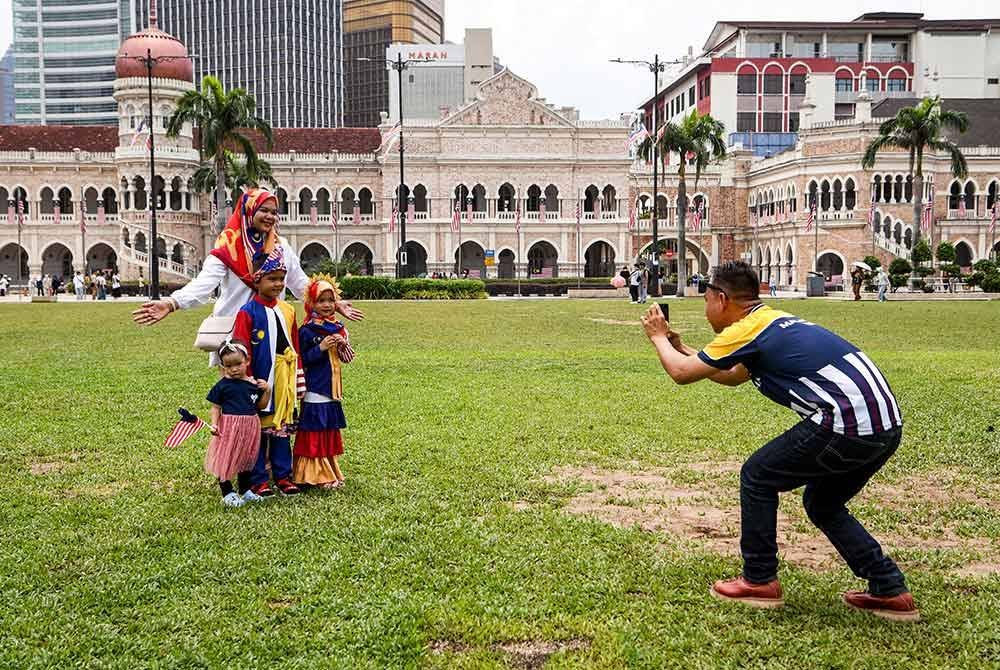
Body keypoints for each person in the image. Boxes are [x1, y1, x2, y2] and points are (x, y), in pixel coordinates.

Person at [640, 261, 917, 622]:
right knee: (823, 503)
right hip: (884, 425)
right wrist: (680, 346)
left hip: (846, 423)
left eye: (706, 300)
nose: (706, 309)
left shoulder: (746, 330)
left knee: (758, 475)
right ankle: (890, 589)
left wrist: (658, 338)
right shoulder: (770, 320)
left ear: (721, 299)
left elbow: (680, 374)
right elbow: (732, 374)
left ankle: (759, 580)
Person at [131, 188, 362, 362]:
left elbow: (300, 283)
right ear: (249, 211)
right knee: (237, 392)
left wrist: (333, 302)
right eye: (264, 210)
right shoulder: (228, 246)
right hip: (235, 327)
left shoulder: (281, 247)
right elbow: (204, 284)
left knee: (270, 388)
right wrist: (172, 303)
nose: (270, 216)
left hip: (272, 326)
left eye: (274, 212)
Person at [231, 248, 303, 498]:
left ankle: (283, 476)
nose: (278, 284)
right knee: (259, 431)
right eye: (272, 279)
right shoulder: (247, 312)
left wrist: (299, 376)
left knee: (281, 428)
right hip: (261, 382)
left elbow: (294, 344)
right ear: (257, 280)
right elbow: (241, 350)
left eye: (281, 279)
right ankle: (258, 479)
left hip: (284, 381)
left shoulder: (288, 310)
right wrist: (248, 381)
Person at [294, 276, 355, 489]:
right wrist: (320, 348)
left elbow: (347, 359)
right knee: (314, 430)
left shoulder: (338, 327)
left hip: (332, 387)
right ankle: (313, 474)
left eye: (331, 300)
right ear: (311, 303)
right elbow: (301, 360)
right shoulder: (307, 330)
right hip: (314, 387)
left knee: (327, 429)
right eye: (321, 300)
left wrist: (342, 344)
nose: (327, 305)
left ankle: (330, 470)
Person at [205, 339, 272, 507]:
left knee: (246, 458)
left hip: (250, 426)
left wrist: (267, 391)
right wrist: (214, 424)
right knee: (226, 457)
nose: (234, 369)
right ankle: (227, 492)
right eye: (228, 366)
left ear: (247, 361)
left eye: (238, 364)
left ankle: (245, 490)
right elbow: (215, 407)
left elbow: (261, 406)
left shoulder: (253, 384)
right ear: (222, 366)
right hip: (229, 427)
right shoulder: (223, 386)